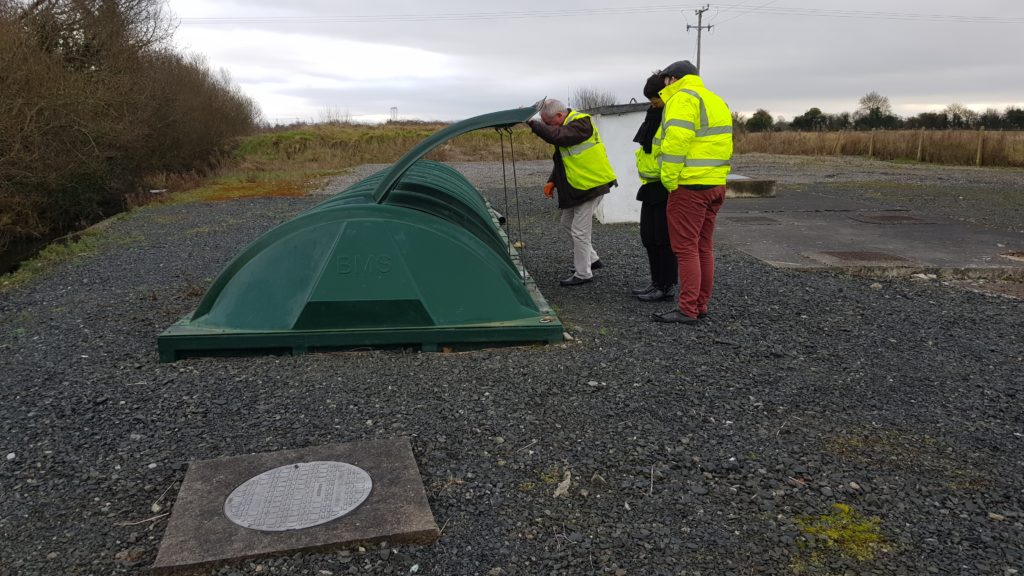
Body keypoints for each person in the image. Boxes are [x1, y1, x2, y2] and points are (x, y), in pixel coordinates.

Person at [651, 60, 733, 324]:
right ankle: (700, 304)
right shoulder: (715, 99)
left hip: (690, 187)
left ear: (673, 79)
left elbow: (676, 144)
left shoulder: (682, 100)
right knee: (703, 247)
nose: (664, 85)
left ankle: (687, 309)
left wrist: (670, 181)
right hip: (715, 184)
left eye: (665, 80)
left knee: (686, 249)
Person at [527, 99, 617, 286]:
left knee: (579, 231)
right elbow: (563, 158)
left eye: (549, 123)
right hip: (580, 185)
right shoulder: (567, 126)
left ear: (560, 115)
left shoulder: (581, 124)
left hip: (591, 185)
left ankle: (583, 274)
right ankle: (592, 260)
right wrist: (552, 180)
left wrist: (532, 124)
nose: (548, 127)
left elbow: (559, 136)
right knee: (567, 222)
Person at [631, 72, 677, 302]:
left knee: (663, 239)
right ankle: (655, 281)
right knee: (649, 237)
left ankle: (666, 285)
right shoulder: (652, 117)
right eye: (650, 100)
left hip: (666, 185)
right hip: (650, 185)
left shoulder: (672, 117)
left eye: (655, 98)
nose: (653, 103)